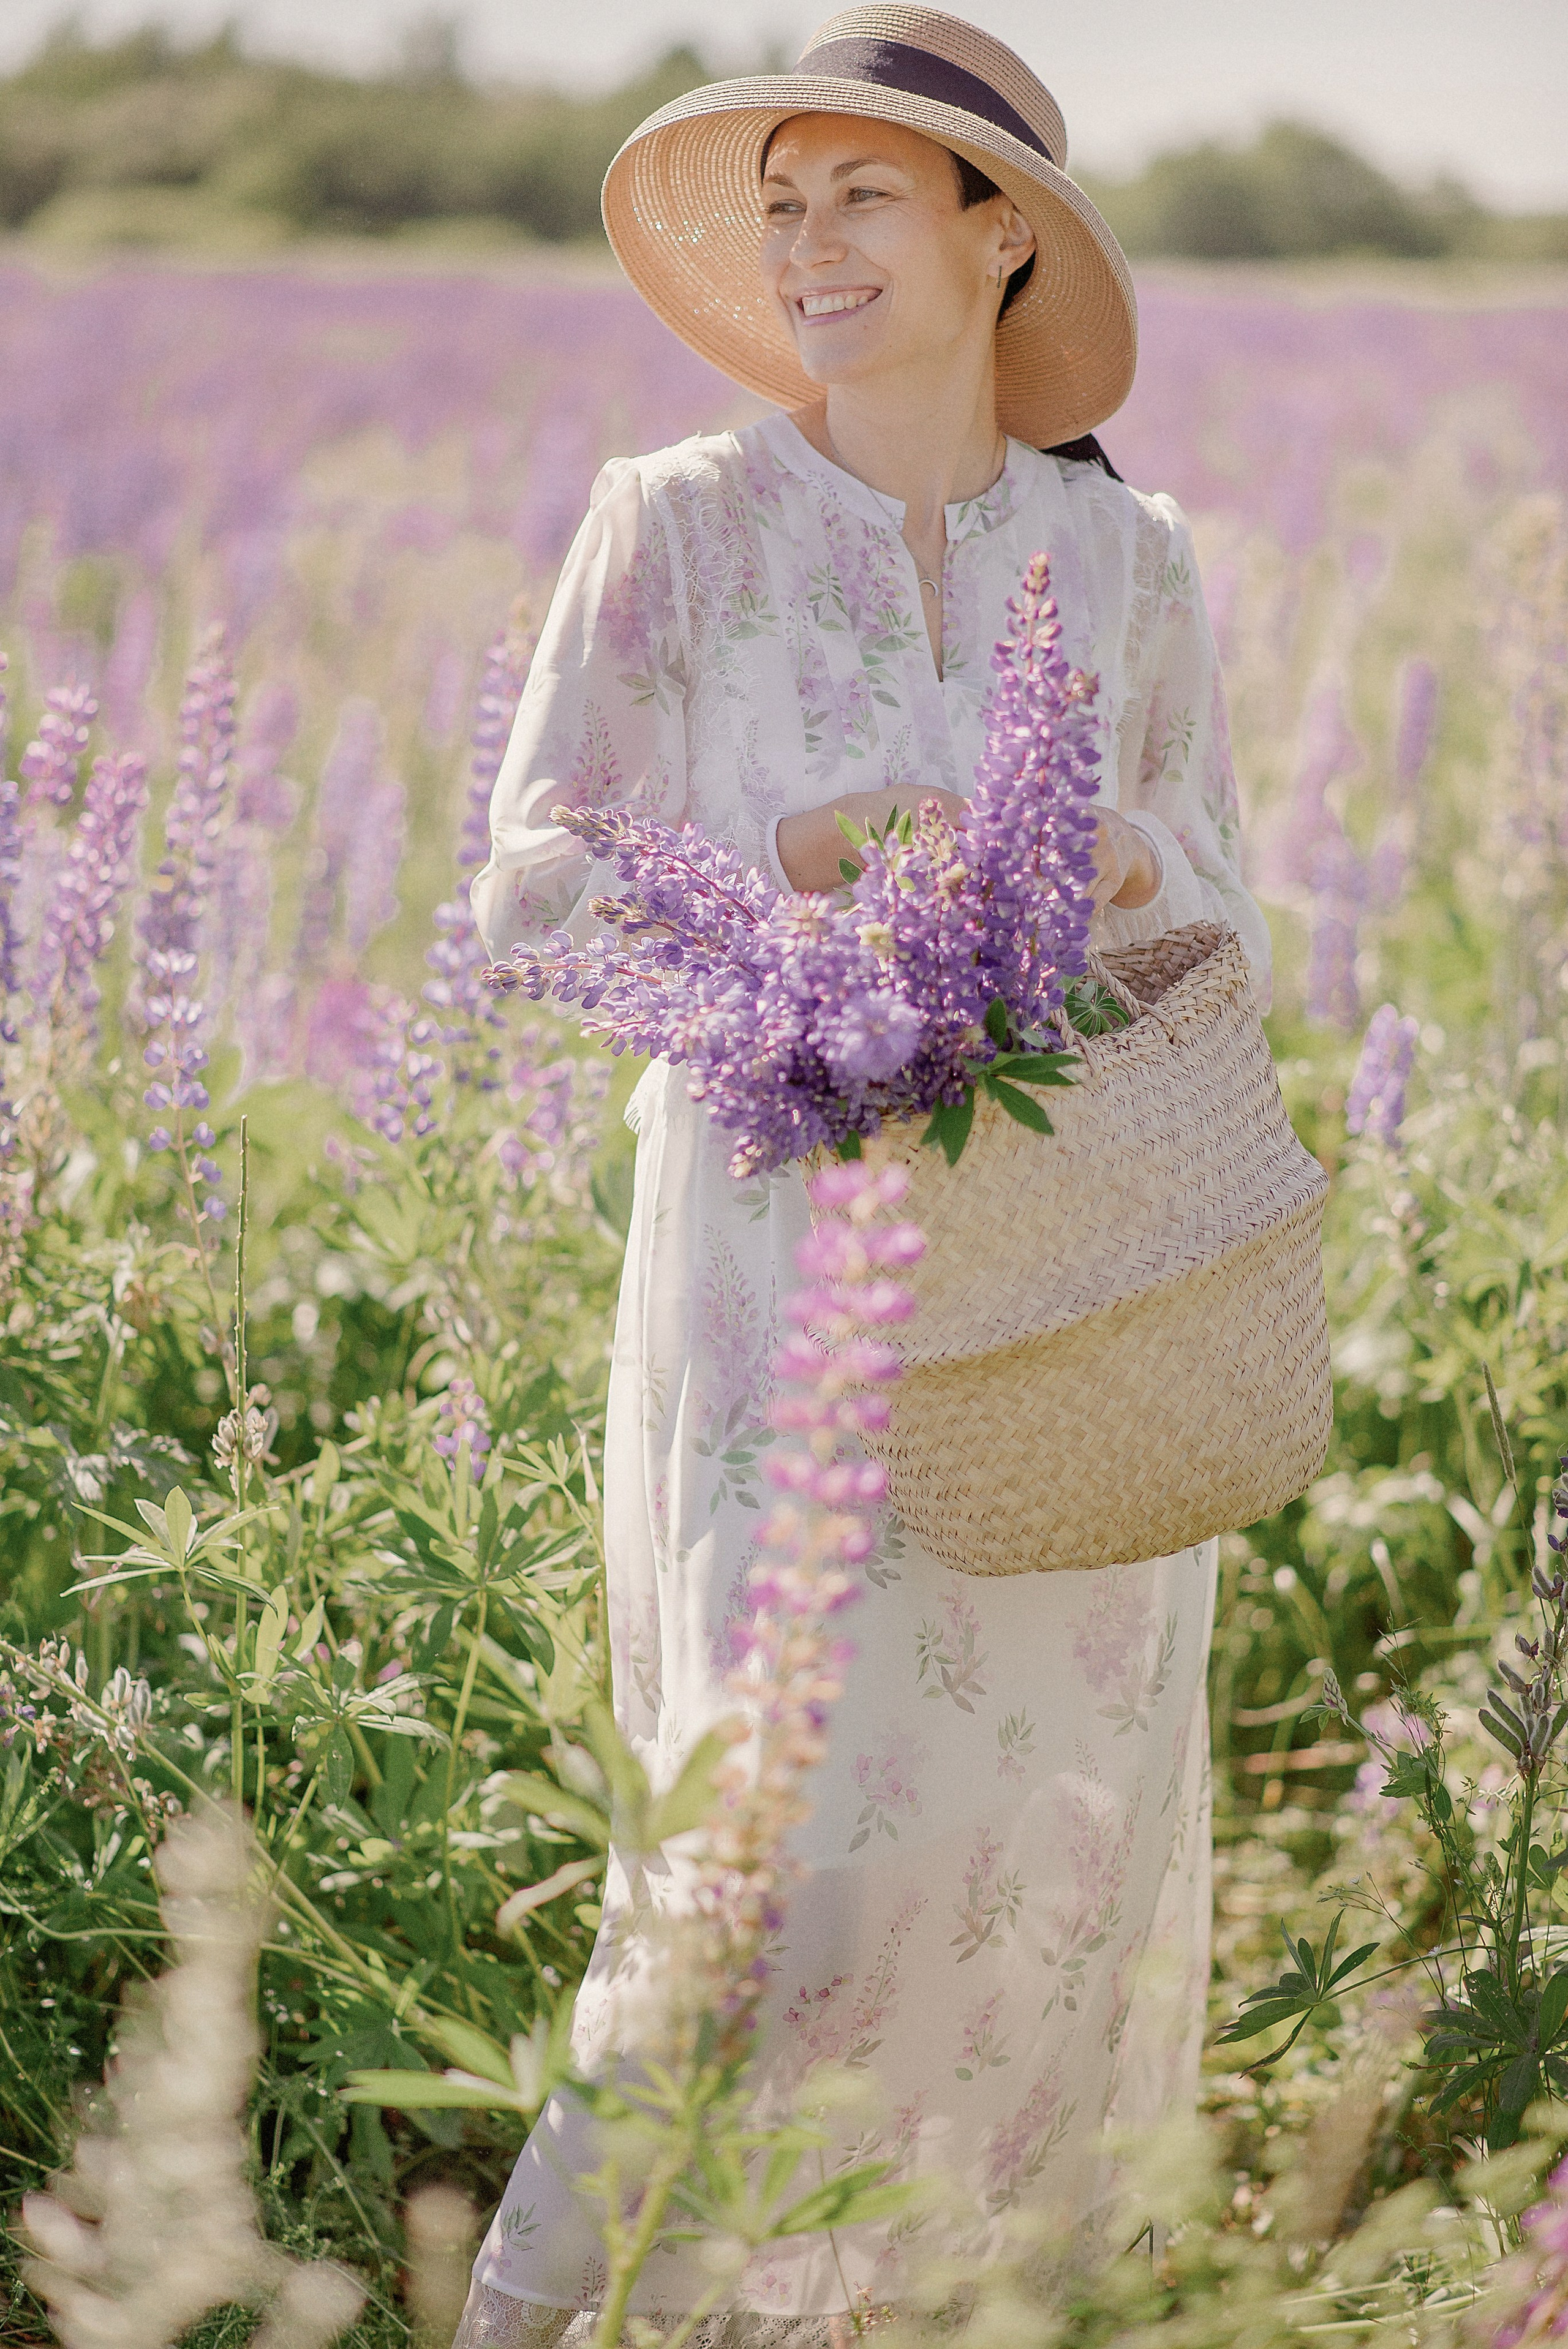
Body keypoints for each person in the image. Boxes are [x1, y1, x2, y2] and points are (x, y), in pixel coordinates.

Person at [458, 9, 1270, 2343]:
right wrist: (787, 858)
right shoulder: (683, 526)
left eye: (864, 196)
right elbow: (524, 890)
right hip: (778, 1301)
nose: (808, 243)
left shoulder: (1131, 559)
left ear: (1001, 232)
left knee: (1038, 1854)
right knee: (767, 1876)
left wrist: (1106, 856)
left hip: (1068, 1301)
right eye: (782, 200)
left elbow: (1225, 895)